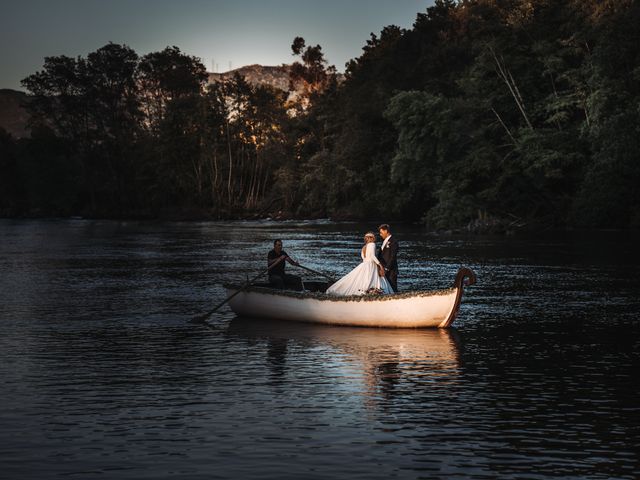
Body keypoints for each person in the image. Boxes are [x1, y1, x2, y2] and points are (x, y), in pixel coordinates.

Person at [326, 232, 393, 296]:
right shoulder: (372, 244)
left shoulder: (364, 247)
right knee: (371, 280)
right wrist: (380, 265)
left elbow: (364, 258)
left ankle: (363, 292)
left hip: (364, 265)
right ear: (371, 238)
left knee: (359, 280)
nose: (374, 239)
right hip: (371, 265)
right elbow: (372, 256)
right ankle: (375, 294)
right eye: (373, 237)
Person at [377, 224, 399, 292]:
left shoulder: (393, 241)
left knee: (393, 288)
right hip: (382, 269)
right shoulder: (384, 241)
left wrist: (386, 269)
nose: (380, 234)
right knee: (385, 289)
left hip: (391, 270)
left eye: (381, 232)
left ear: (386, 231)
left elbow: (393, 256)